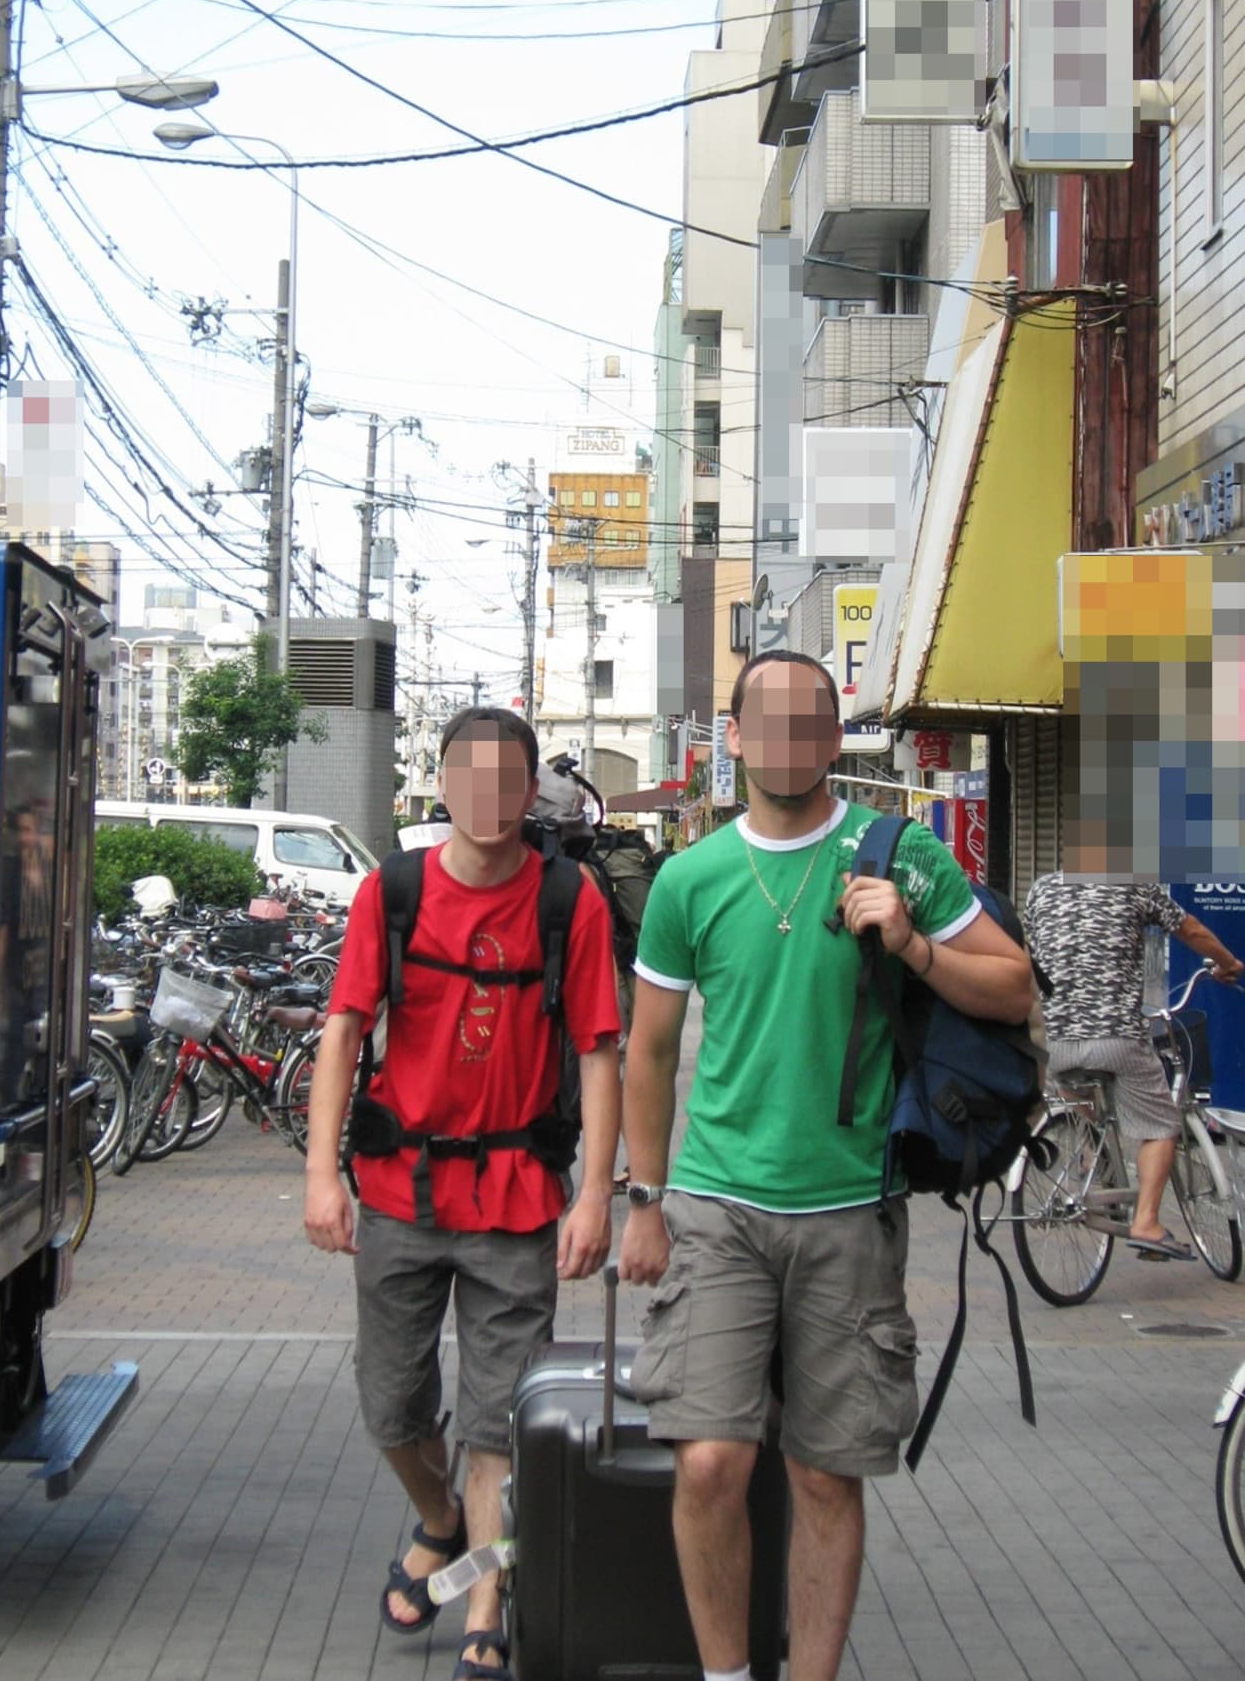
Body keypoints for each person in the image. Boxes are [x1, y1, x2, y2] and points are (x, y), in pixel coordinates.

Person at [617, 651, 1033, 1681]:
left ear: (831, 733)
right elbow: (650, 1050)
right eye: (772, 721)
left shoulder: (897, 857)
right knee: (709, 1460)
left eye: (814, 721)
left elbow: (1017, 990)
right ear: (737, 737)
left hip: (851, 1208)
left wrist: (913, 945)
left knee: (822, 1475)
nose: (792, 740)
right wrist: (641, 1199)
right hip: (714, 1204)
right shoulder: (690, 877)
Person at [304, 706, 622, 1681]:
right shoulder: (391, 892)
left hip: (518, 1198)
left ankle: (487, 1593)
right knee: (391, 1404)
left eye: (505, 779)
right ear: (438, 785)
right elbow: (343, 1034)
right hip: (399, 1191)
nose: (486, 796)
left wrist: (597, 1197)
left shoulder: (569, 901)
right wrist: (321, 1174)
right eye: (466, 776)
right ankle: (441, 1521)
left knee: (494, 1421)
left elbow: (600, 1055)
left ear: (530, 794)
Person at [1023, 872, 1242, 1259]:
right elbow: (1190, 930)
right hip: (1116, 1038)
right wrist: (1228, 963)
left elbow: (1028, 950)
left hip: (1054, 1042)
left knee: (1086, 1108)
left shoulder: (1042, 887)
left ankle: (1101, 1176)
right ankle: (1147, 1224)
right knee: (1160, 1123)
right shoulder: (1133, 884)